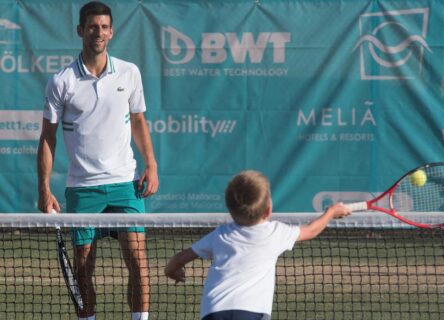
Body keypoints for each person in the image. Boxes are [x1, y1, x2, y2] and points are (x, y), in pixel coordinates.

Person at [36, 2, 158, 320]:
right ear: (80, 31)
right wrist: (44, 188)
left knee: (138, 260)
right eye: (92, 26)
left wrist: (151, 164)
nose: (99, 32)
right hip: (82, 188)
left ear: (112, 31)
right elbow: (47, 138)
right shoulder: (61, 81)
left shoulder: (129, 72)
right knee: (83, 264)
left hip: (125, 184)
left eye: (104, 27)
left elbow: (139, 122)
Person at [165, 170, 351, 320]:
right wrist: (332, 212)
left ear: (230, 210)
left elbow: (179, 259)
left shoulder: (220, 234)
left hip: (214, 312)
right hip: (252, 312)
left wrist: (171, 271)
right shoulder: (276, 232)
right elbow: (311, 230)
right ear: (268, 210)